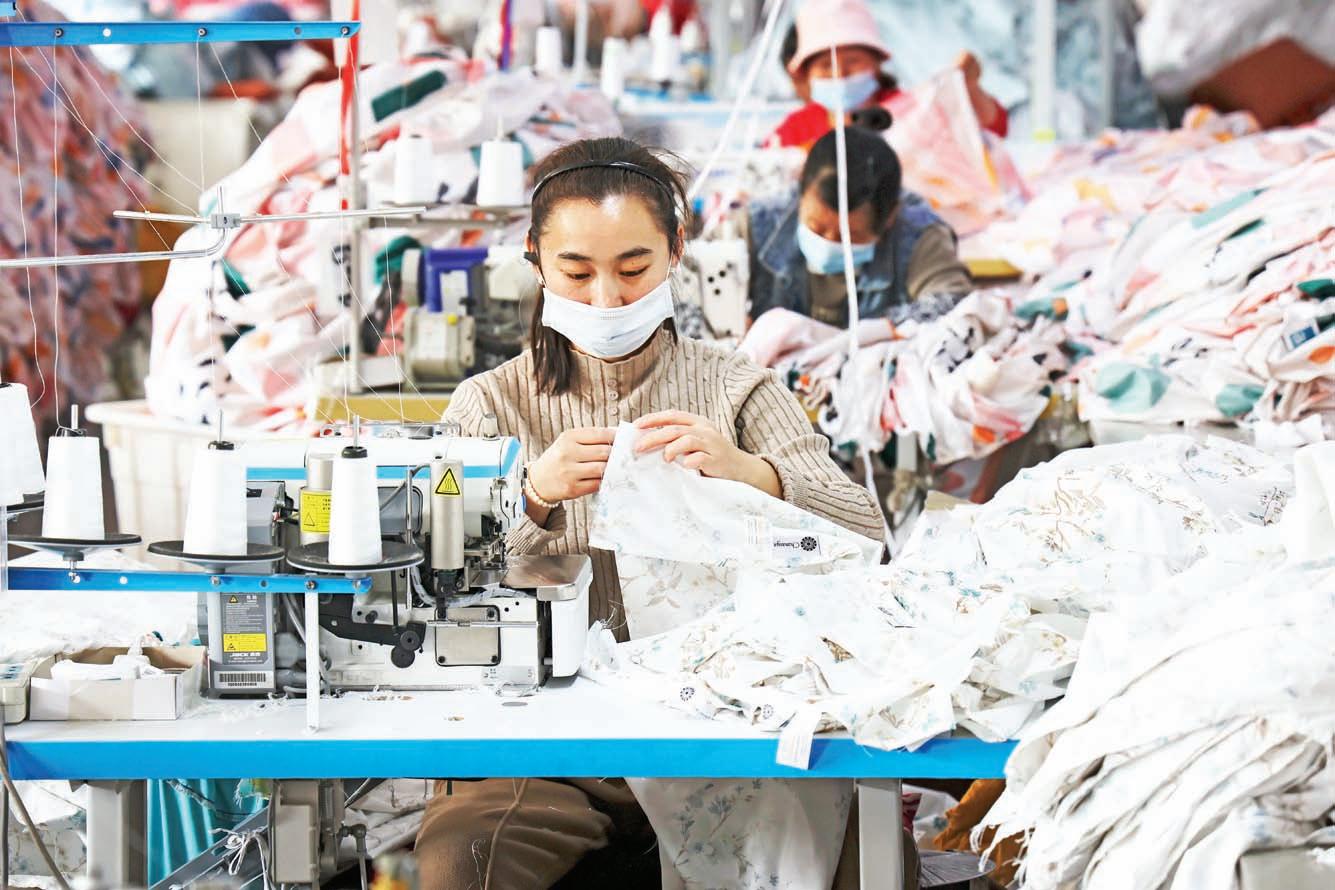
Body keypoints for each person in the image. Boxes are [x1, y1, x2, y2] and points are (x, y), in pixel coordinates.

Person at [412, 137, 886, 888]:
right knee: (462, 859)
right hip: (552, 746)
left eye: (633, 269)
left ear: (675, 252)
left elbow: (864, 532)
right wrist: (530, 496)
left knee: (866, 857)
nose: (606, 298)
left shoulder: (736, 390)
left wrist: (754, 475)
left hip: (725, 727)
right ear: (536, 262)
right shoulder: (490, 405)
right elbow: (430, 581)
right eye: (577, 272)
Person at [748, 123, 972, 329]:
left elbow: (955, 307)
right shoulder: (758, 226)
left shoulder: (919, 238)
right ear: (801, 193)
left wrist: (875, 332)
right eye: (816, 228)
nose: (829, 242)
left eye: (849, 237)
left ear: (890, 217)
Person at [770, 0, 1008, 150]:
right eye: (825, 65)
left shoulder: (911, 112)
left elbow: (992, 130)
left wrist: (969, 87)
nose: (840, 73)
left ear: (877, 63)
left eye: (853, 61)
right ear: (805, 75)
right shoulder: (796, 129)